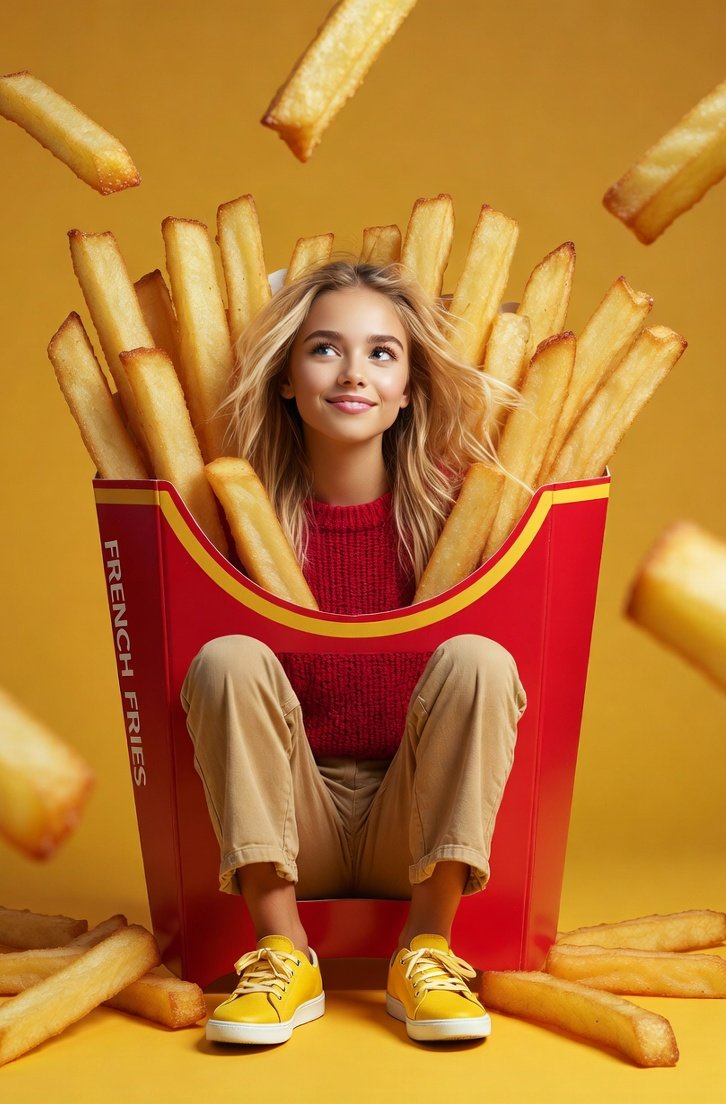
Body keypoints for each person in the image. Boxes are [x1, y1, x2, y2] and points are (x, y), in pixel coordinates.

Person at [181, 260, 527, 1046]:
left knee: (480, 656)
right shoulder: (230, 517)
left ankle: (427, 948)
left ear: (408, 388)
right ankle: (281, 949)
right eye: (324, 349)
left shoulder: (461, 513)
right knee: (227, 656)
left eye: (381, 353)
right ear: (285, 378)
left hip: (417, 820)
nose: (352, 373)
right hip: (286, 820)